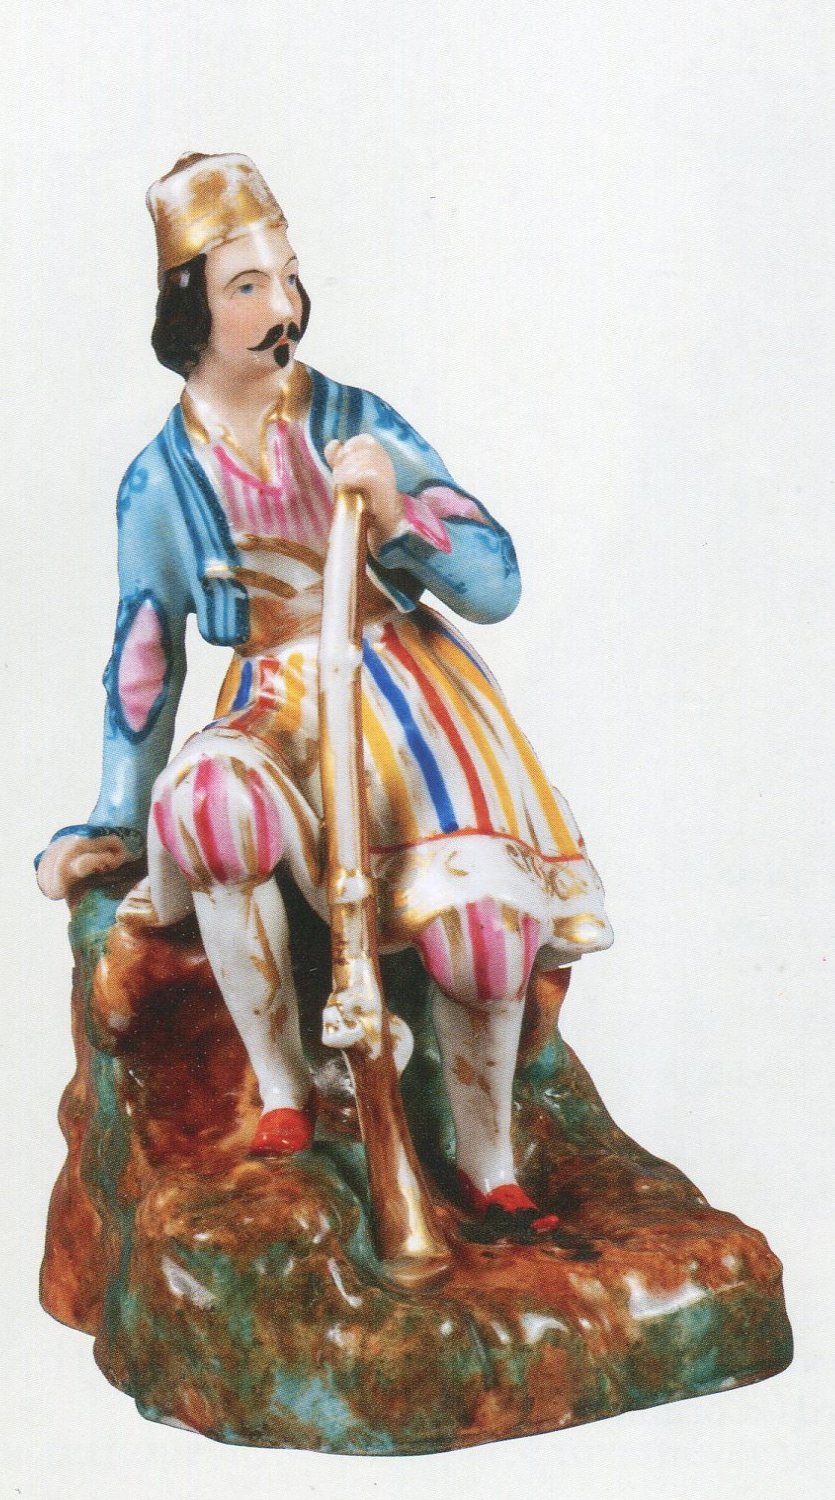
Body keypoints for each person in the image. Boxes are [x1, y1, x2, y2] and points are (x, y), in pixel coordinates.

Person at [37, 153, 612, 1222]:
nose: (282, 308)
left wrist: (396, 515)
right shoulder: (159, 481)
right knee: (209, 810)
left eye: (289, 278)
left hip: (411, 694)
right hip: (276, 704)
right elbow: (146, 654)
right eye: (248, 286)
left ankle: (487, 1161)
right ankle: (284, 1088)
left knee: (481, 931)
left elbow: (494, 581)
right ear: (191, 310)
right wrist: (117, 815)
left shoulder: (357, 420)